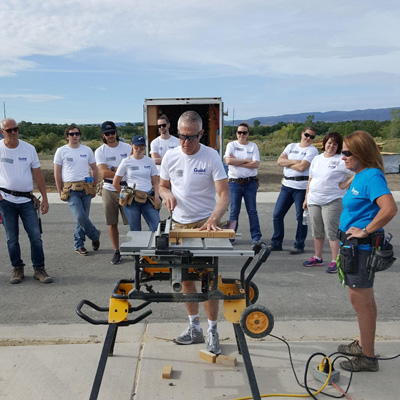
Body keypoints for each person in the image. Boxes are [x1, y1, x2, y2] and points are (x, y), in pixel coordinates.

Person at [159, 110, 230, 355]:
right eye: (181, 136)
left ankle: (212, 330)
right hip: (179, 225)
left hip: (204, 225)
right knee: (186, 280)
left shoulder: (211, 157)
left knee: (208, 280)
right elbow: (162, 186)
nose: (186, 142)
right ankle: (194, 327)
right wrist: (166, 195)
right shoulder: (170, 156)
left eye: (192, 137)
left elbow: (224, 195)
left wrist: (212, 220)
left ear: (201, 134)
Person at [336, 130, 397, 372]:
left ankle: (368, 356)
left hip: (361, 248)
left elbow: (389, 208)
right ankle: (363, 344)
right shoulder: (360, 175)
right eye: (342, 152)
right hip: (352, 248)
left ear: (362, 153)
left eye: (347, 152)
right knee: (359, 299)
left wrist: (366, 230)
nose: (343, 157)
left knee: (362, 301)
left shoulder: (372, 176)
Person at [0, 118, 52, 284]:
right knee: (12, 238)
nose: (14, 132)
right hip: (6, 200)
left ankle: (39, 268)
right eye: (9, 130)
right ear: (2, 132)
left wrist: (45, 197)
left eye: (16, 129)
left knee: (35, 236)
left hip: (26, 200)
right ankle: (17, 268)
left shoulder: (28, 148)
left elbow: (37, 174)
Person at [303, 132, 353, 273]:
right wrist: (306, 198)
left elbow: (356, 173)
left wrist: (344, 185)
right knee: (317, 231)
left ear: (338, 146)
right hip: (314, 200)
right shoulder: (317, 159)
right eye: (329, 143)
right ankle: (317, 257)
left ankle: (335, 260)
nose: (331, 146)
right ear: (324, 143)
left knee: (332, 232)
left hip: (332, 200)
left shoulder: (341, 159)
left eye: (335, 144)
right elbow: (310, 179)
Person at [269, 127, 318, 254]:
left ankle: (299, 245)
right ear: (302, 134)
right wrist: (296, 161)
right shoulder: (291, 146)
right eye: (306, 135)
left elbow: (303, 167)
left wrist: (288, 162)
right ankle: (276, 242)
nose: (308, 138)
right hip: (287, 185)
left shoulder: (312, 150)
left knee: (301, 217)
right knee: (277, 215)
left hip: (301, 187)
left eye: (312, 137)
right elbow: (279, 162)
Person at [54, 125, 101, 256]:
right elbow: (57, 172)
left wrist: (94, 186)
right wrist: (60, 190)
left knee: (82, 218)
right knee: (80, 216)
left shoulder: (86, 150)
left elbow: (94, 168)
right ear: (67, 136)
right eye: (71, 134)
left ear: (80, 135)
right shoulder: (61, 151)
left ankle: (79, 245)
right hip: (70, 189)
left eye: (77, 134)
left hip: (86, 187)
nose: (74, 136)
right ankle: (94, 234)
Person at [95, 121, 132, 264]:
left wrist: (114, 169)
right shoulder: (100, 151)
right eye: (107, 134)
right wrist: (121, 169)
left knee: (132, 221)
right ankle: (117, 251)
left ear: (116, 132)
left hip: (127, 188)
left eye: (113, 132)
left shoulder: (127, 147)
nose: (111, 136)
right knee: (112, 223)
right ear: (103, 135)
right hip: (109, 189)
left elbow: (132, 167)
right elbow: (103, 173)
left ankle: (135, 250)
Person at [113, 135, 161, 231]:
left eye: (141, 147)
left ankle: (155, 246)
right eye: (136, 147)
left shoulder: (149, 161)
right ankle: (137, 246)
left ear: (145, 147)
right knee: (135, 230)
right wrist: (123, 195)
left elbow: (155, 182)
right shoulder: (126, 162)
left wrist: (156, 196)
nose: (139, 149)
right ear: (132, 145)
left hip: (147, 198)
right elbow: (115, 183)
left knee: (156, 227)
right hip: (132, 200)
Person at [224, 122, 262, 244]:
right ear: (236, 133)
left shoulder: (253, 146)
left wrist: (236, 161)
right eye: (239, 132)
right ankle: (231, 235)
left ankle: (256, 237)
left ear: (247, 134)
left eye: (244, 132)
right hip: (235, 183)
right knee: (234, 210)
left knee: (252, 210)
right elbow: (228, 161)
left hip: (250, 183)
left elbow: (255, 164)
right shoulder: (231, 145)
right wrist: (246, 160)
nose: (241, 135)